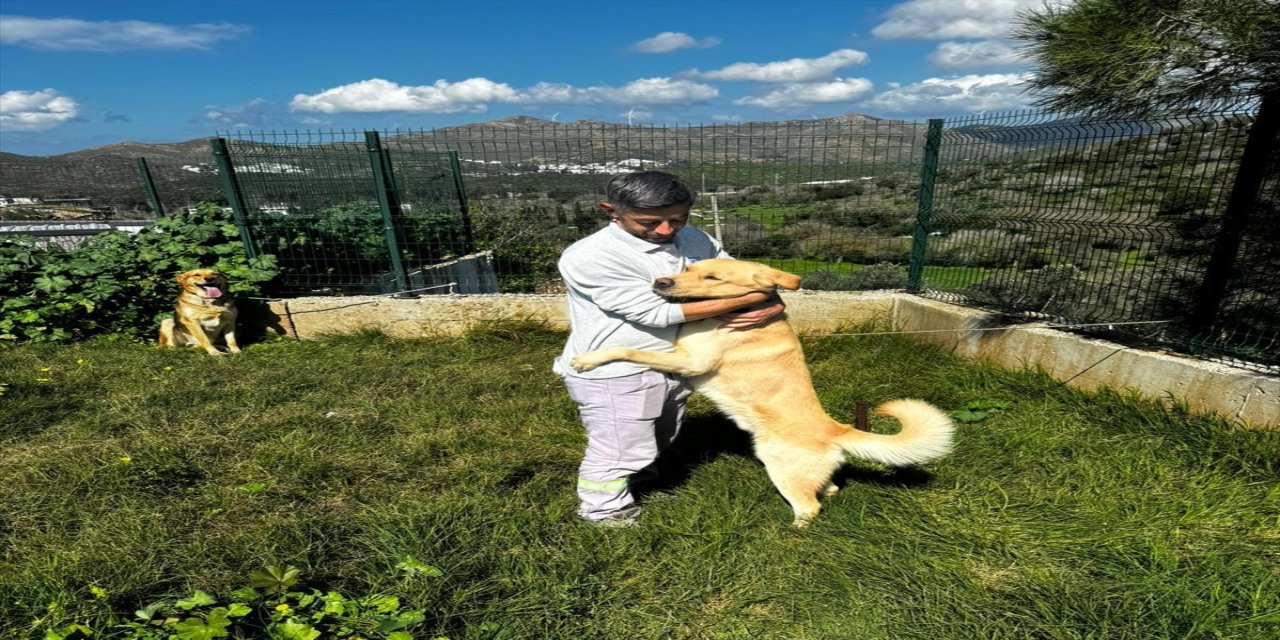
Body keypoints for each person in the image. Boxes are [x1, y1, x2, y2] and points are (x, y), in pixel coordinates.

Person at [554, 171, 785, 526]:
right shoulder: (591, 256)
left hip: (676, 359)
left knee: (661, 433)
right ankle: (604, 512)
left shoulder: (694, 238)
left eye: (677, 218)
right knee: (619, 446)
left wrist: (770, 300)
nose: (665, 230)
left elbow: (736, 273)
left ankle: (638, 479)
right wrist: (757, 297)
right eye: (649, 221)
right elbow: (656, 312)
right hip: (615, 369)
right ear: (610, 210)